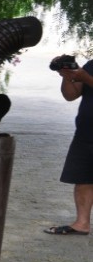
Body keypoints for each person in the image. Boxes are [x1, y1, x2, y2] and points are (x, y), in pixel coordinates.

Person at [43, 55, 93, 236]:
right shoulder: (91, 65)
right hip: (86, 132)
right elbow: (70, 95)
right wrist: (67, 75)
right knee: (84, 179)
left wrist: (85, 77)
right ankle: (82, 223)